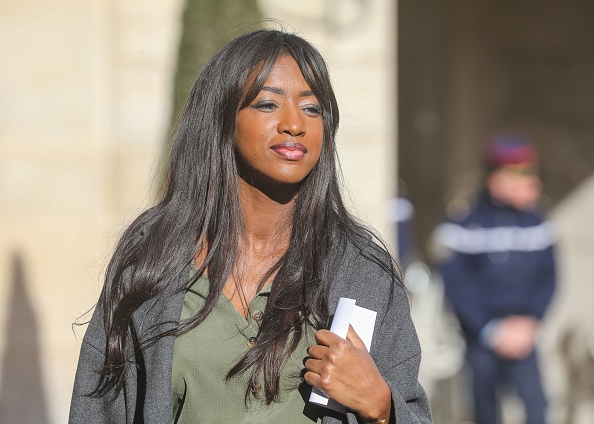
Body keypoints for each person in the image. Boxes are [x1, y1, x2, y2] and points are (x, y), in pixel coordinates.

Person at [69, 29, 432, 424]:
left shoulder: (362, 269)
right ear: (222, 118)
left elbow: (411, 411)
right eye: (267, 103)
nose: (294, 124)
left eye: (312, 109)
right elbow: (98, 409)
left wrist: (382, 409)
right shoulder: (154, 256)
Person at [432, 135, 556, 424]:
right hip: (483, 336)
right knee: (485, 409)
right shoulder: (463, 220)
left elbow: (548, 278)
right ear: (498, 178)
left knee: (536, 407)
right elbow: (456, 284)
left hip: (524, 334)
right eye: (523, 177)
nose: (533, 185)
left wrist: (530, 322)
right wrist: (491, 329)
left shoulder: (537, 220)